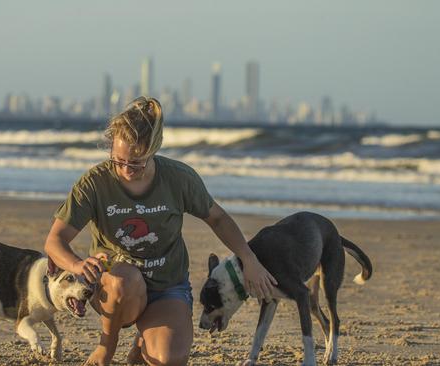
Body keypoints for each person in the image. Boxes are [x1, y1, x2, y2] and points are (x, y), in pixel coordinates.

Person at [44, 96, 277, 366]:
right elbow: (55, 240)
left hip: (167, 286)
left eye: (136, 163)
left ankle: (144, 339)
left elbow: (218, 219)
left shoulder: (178, 178)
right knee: (125, 280)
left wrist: (249, 260)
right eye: (118, 160)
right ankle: (106, 347)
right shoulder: (95, 183)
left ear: (153, 151)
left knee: (168, 359)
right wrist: (77, 264)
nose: (125, 170)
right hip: (116, 289)